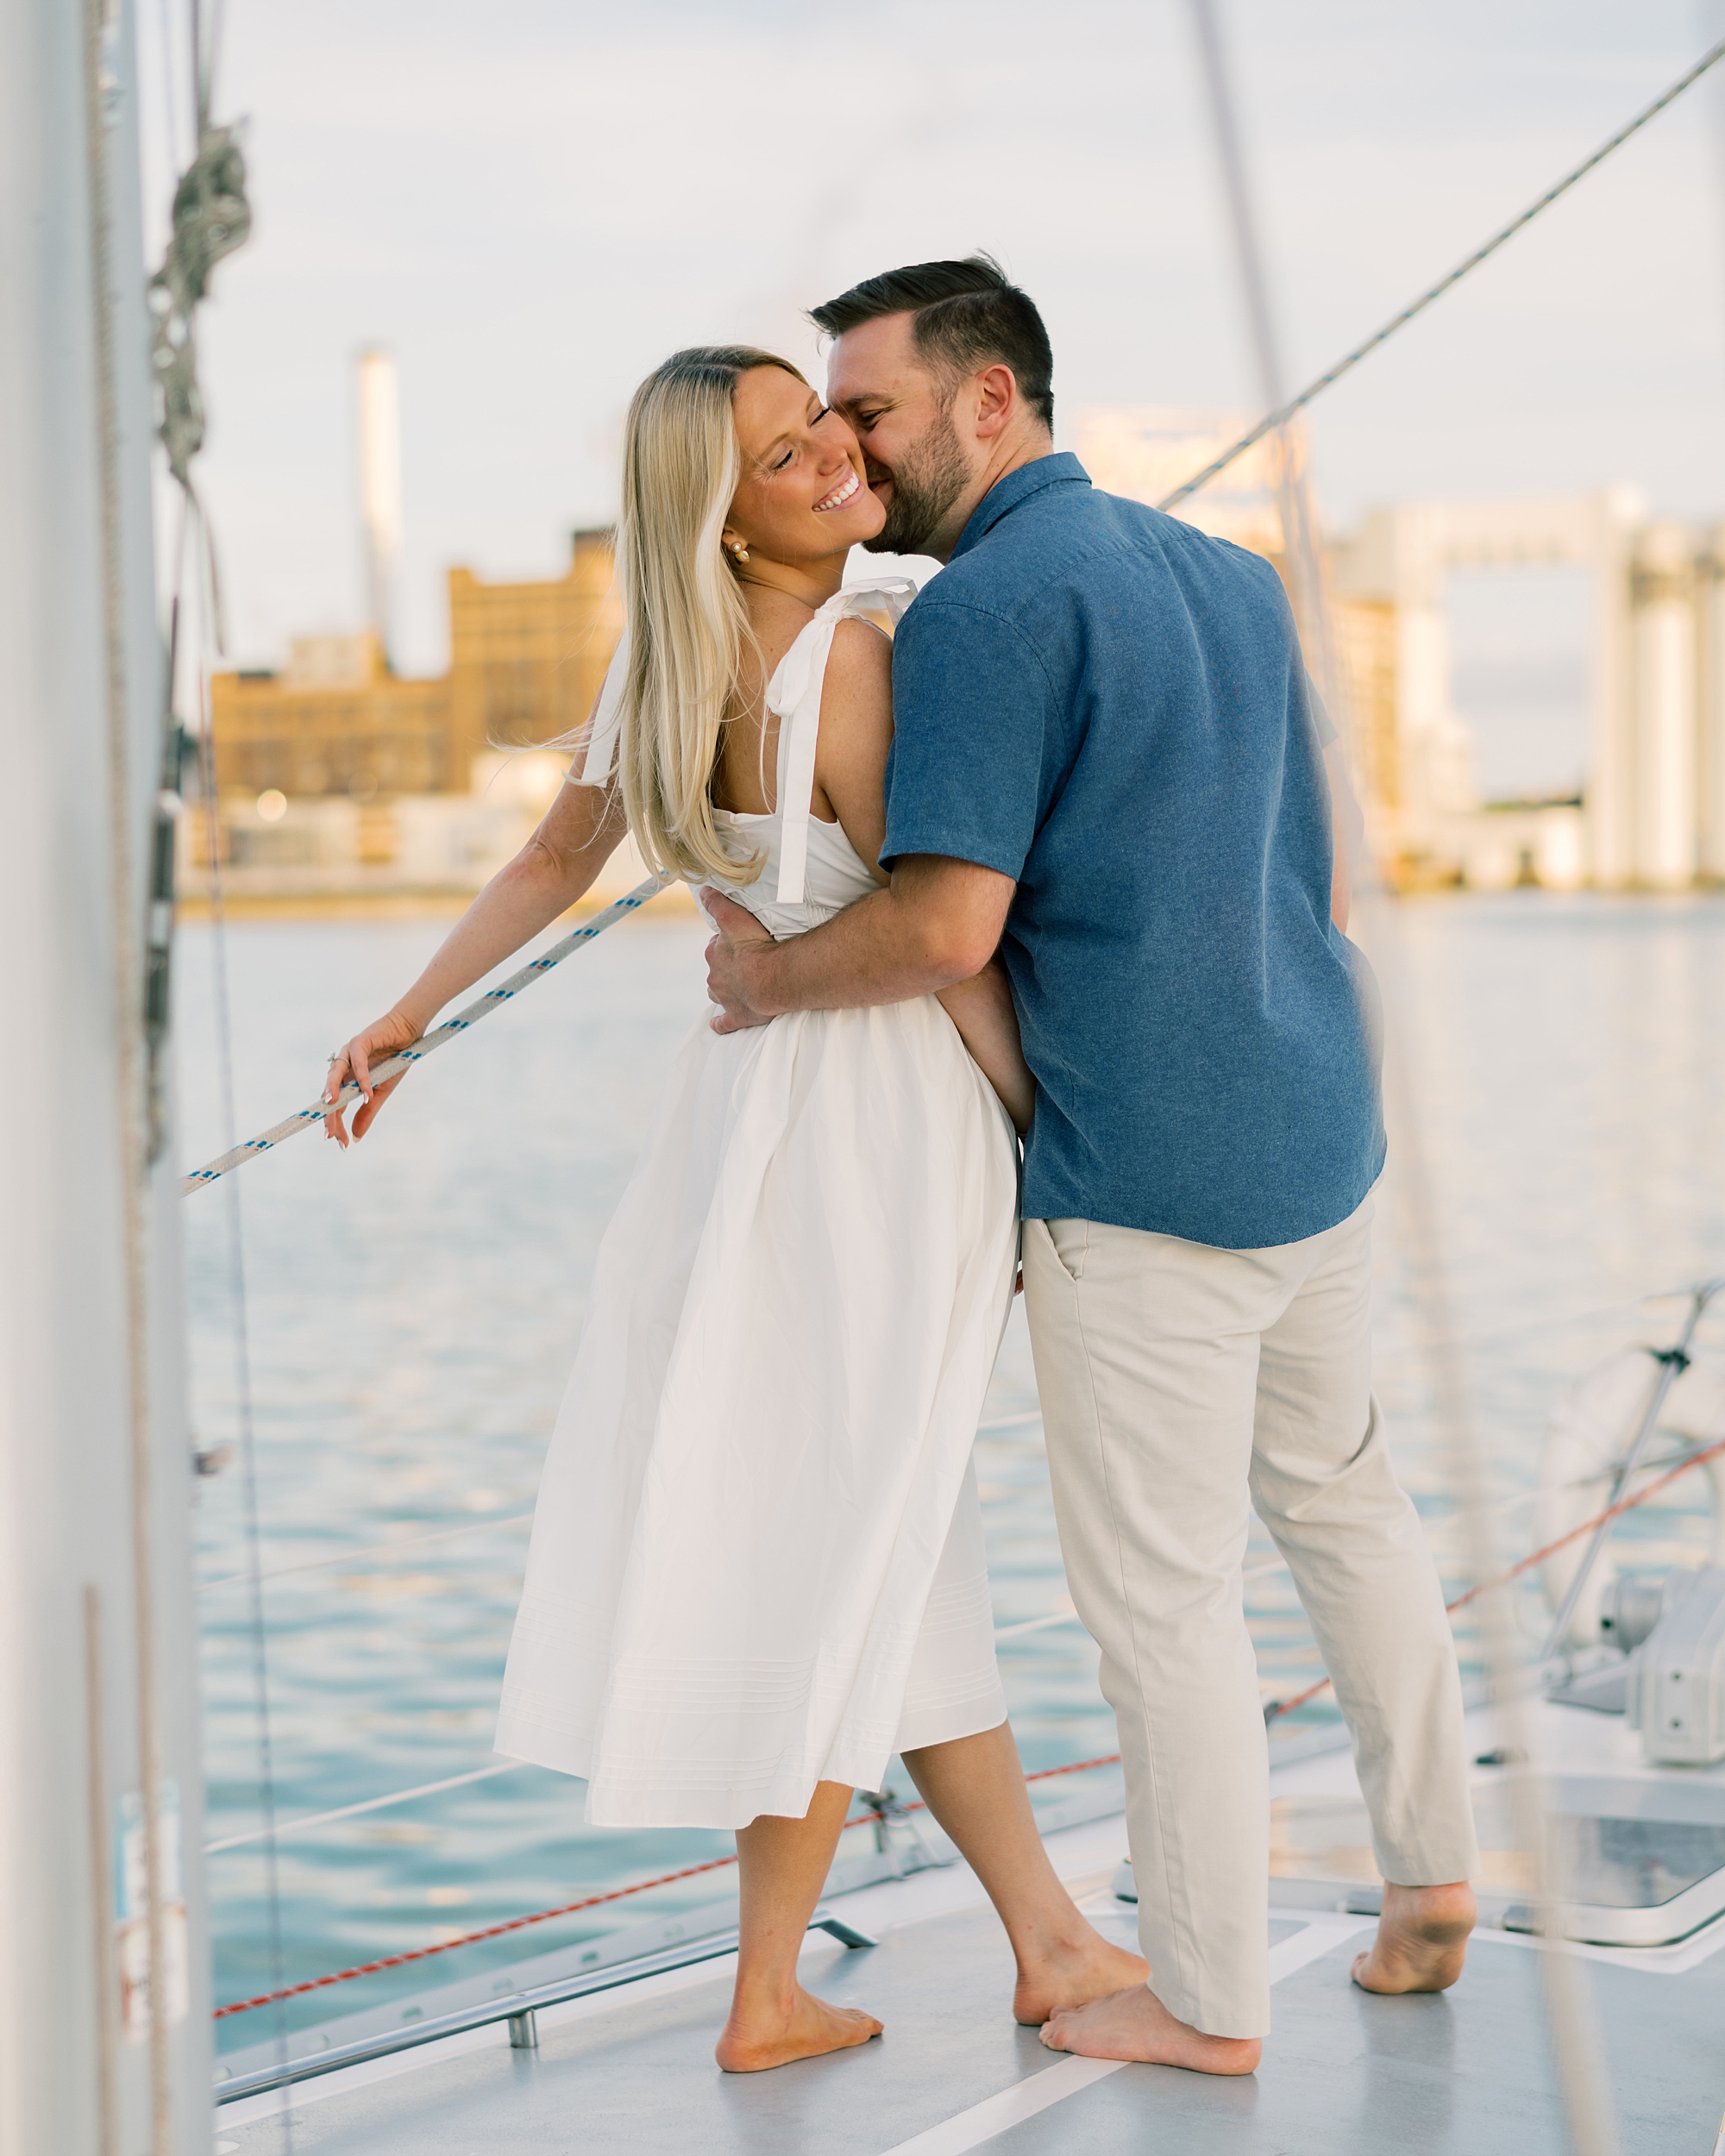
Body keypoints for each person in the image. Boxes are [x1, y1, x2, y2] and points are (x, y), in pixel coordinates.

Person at [321, 343, 1145, 2074]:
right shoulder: (863, 656)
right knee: (863, 1534)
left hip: (746, 1117)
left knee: (892, 1534)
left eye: (830, 422)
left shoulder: (671, 659)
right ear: (728, 512)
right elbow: (938, 945)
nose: (839, 455)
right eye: (789, 453)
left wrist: (411, 1012)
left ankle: (1023, 1942)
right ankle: (823, 1979)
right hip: (885, 1115)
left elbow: (555, 858)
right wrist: (1049, 1133)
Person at [703, 257, 1482, 2077]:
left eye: (874, 415)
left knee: (1164, 1603)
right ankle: (1430, 1875)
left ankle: (1204, 1995)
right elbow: (1325, 873)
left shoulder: (981, 614)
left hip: (1147, 1174)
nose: (857, 457)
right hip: (1320, 1135)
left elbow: (946, 924)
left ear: (993, 399)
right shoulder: (1233, 573)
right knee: (1349, 1513)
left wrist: (765, 977)